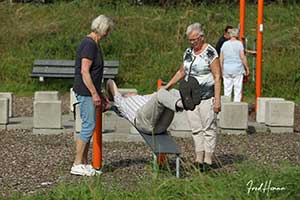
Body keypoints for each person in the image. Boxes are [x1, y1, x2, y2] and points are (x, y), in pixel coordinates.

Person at [163, 23, 221, 167]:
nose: (193, 42)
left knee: (208, 127)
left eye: (195, 39)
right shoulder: (188, 52)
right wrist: (167, 86)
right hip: (190, 98)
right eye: (190, 40)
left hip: (207, 96)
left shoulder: (210, 52)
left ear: (201, 37)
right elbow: (181, 72)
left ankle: (208, 159)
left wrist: (217, 100)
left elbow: (217, 76)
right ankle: (198, 158)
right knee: (196, 128)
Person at [71, 15, 114, 176]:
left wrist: (101, 93)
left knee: (89, 126)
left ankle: (83, 162)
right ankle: (76, 163)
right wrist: (95, 94)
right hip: (86, 92)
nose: (108, 34)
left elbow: (95, 73)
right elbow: (84, 71)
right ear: (103, 29)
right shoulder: (89, 45)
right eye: (108, 30)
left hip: (91, 91)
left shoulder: (94, 44)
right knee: (88, 126)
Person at [106, 79, 184, 134]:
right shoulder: (122, 102)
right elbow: (110, 82)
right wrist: (111, 98)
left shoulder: (144, 97)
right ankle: (181, 104)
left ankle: (188, 101)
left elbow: (160, 95)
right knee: (160, 93)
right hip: (143, 122)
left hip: (161, 127)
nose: (130, 93)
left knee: (171, 92)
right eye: (127, 93)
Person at [219, 28, 250, 102]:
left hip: (226, 69)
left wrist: (221, 69)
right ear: (237, 35)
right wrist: (247, 68)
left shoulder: (224, 44)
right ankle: (237, 106)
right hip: (237, 69)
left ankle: (226, 106)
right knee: (238, 90)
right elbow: (242, 57)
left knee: (227, 90)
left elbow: (221, 58)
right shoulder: (239, 44)